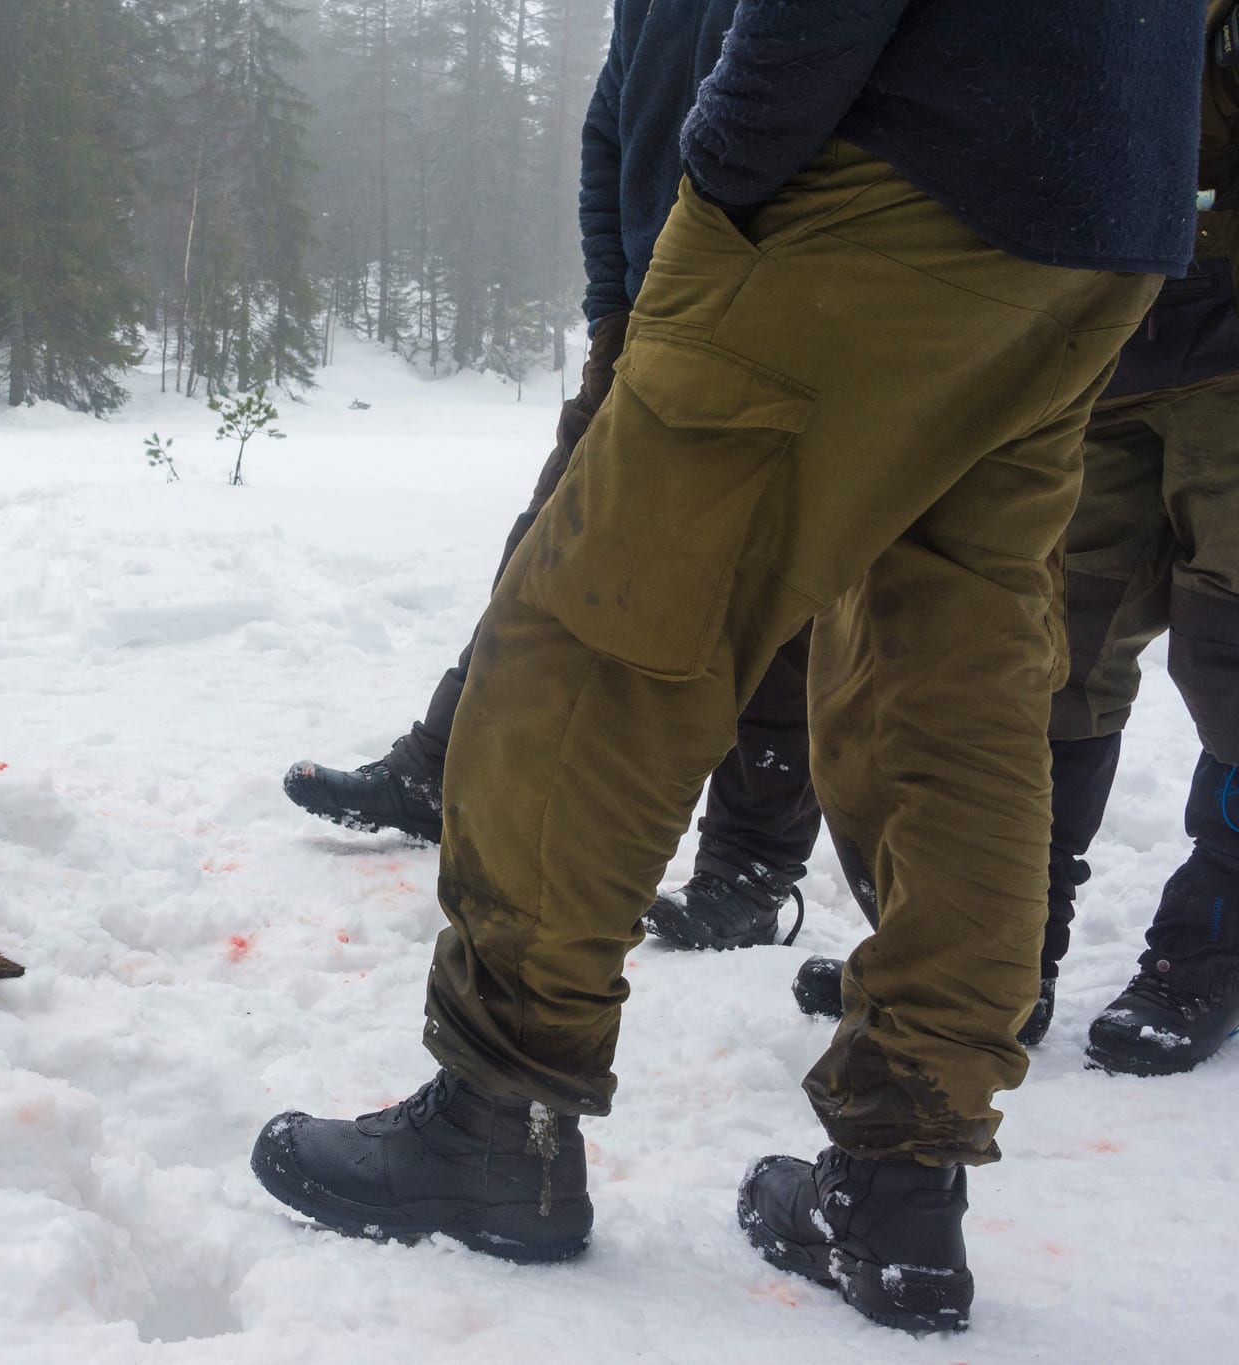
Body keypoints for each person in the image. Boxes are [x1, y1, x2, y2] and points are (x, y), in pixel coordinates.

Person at [249, 0, 1198, 1336]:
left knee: (592, 645)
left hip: (882, 180)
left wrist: (727, 168)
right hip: (1103, 210)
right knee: (954, 686)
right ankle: (901, 1186)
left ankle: (498, 1117)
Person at [283, 0, 820, 954]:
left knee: (779, 593)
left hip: (782, 311)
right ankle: (439, 767)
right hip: (651, 311)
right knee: (542, 549)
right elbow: (612, 119)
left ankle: (752, 866)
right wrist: (614, 299)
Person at [791, 4, 1239, 1077]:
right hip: (1105, 346)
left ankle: (1207, 950)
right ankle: (993, 951)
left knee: (1230, 661)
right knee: (1046, 665)